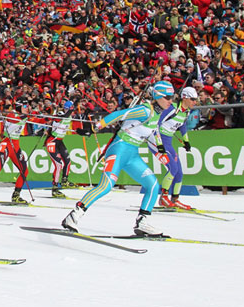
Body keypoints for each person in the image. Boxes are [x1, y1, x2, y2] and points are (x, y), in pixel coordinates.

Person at [62, 81, 174, 237]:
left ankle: (142, 222)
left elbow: (154, 131)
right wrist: (96, 126)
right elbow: (119, 115)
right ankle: (74, 215)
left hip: (132, 155)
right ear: (159, 96)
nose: (171, 101)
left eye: (173, 97)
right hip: (120, 149)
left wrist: (160, 150)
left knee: (153, 184)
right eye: (168, 97)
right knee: (106, 186)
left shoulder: (158, 113)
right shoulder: (145, 110)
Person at [153, 87, 198, 210]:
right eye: (193, 99)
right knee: (172, 168)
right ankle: (164, 198)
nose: (195, 102)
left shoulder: (186, 111)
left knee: (179, 172)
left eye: (196, 99)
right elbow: (156, 123)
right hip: (158, 141)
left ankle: (175, 199)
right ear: (185, 97)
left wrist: (186, 141)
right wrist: (159, 143)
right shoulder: (172, 108)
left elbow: (182, 126)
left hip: (168, 142)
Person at [44, 101, 91, 197]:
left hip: (60, 141)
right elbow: (61, 118)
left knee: (67, 160)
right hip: (52, 141)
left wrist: (82, 132)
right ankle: (55, 188)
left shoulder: (69, 116)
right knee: (58, 164)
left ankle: (64, 180)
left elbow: (68, 128)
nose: (73, 111)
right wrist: (69, 110)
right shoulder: (62, 114)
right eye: (72, 109)